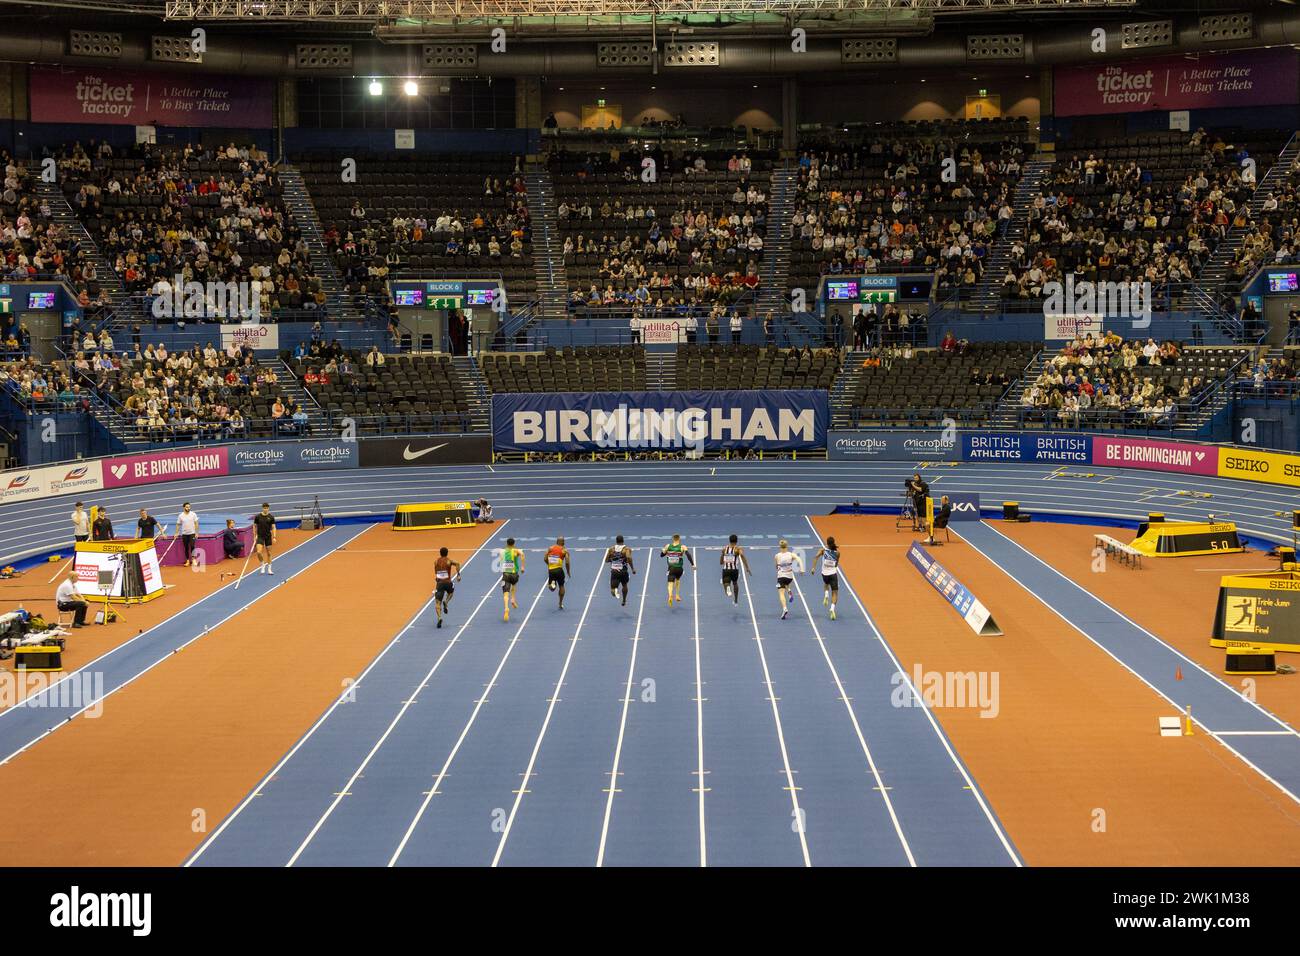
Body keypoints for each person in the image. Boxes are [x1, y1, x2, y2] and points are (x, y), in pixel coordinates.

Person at [808, 537, 840, 621]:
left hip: (824, 574)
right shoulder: (837, 553)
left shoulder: (823, 550)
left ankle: (826, 594)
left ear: (827, 543)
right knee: (835, 593)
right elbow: (836, 564)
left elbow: (815, 557)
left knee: (826, 584)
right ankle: (832, 608)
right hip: (833, 574)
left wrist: (813, 568)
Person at [661, 533, 694, 606]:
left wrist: (664, 551)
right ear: (679, 539)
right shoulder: (683, 547)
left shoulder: (668, 546)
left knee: (670, 583)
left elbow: (661, 555)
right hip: (679, 569)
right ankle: (677, 595)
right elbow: (688, 555)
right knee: (678, 580)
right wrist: (692, 564)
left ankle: (670, 595)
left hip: (671, 568)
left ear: (672, 539)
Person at [433, 546, 462, 629]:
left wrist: (438, 578)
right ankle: (446, 601)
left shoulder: (436, 562)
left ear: (440, 553)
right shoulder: (449, 561)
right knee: (451, 592)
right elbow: (457, 563)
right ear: (447, 553)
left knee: (437, 603)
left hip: (440, 584)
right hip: (448, 583)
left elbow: (436, 572)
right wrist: (458, 575)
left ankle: (439, 618)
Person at [774, 539, 803, 620]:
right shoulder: (791, 554)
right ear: (787, 546)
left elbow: (776, 566)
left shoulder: (777, 556)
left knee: (781, 594)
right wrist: (802, 568)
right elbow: (799, 559)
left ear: (780, 546)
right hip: (790, 577)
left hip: (781, 576)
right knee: (787, 583)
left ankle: (784, 608)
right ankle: (789, 590)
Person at [719, 533, 751, 604]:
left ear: (729, 541)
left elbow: (721, 561)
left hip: (726, 569)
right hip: (734, 570)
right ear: (736, 541)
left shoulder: (724, 549)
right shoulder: (737, 549)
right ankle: (736, 599)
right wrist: (747, 567)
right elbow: (742, 555)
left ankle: (728, 588)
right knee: (735, 583)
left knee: (726, 583)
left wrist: (723, 559)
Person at [605, 535, 636, 606]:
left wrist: (614, 560)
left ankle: (615, 590)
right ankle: (624, 600)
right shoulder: (627, 549)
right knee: (624, 585)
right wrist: (632, 568)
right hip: (623, 571)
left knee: (612, 590)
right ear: (623, 541)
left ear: (616, 541)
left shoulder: (611, 549)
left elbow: (606, 560)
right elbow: (629, 557)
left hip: (614, 572)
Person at [501, 537, 525, 622]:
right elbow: (522, 554)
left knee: (505, 593)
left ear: (507, 544)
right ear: (514, 544)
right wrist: (522, 567)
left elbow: (501, 560)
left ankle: (506, 608)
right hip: (514, 574)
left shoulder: (502, 551)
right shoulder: (515, 551)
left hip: (505, 574)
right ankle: (513, 599)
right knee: (514, 585)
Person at [545, 537, 572, 610]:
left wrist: (549, 564)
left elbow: (545, 558)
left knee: (552, 589)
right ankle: (560, 603)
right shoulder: (564, 551)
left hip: (551, 570)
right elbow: (567, 562)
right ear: (563, 542)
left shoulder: (550, 548)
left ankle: (553, 583)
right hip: (559, 570)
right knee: (561, 586)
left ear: (556, 541)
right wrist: (568, 571)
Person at [253, 502, 276, 574]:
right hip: (260, 536)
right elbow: (254, 526)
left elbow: (273, 527)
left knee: (269, 553)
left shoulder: (271, 517)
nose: (265, 509)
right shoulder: (258, 517)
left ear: (268, 508)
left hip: (268, 537)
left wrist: (274, 536)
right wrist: (254, 536)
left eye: (267, 508)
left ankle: (269, 568)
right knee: (259, 552)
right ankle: (262, 565)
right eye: (264, 508)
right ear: (262, 508)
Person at [176, 502, 200, 567]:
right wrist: (176, 533)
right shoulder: (180, 515)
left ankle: (194, 560)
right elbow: (178, 524)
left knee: (192, 546)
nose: (188, 508)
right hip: (184, 534)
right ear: (184, 507)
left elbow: (196, 523)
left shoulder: (193, 514)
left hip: (192, 533)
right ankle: (187, 561)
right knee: (186, 548)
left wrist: (197, 532)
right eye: (187, 507)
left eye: (189, 507)